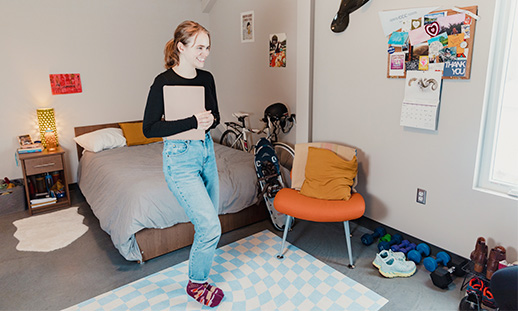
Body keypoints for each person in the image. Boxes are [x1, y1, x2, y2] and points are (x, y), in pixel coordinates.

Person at [142, 20, 224, 308]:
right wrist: (191, 121)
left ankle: (198, 275)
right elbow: (149, 129)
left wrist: (209, 119)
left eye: (207, 47)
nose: (206, 53)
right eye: (200, 47)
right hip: (179, 159)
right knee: (211, 226)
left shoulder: (207, 78)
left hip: (206, 151)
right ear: (182, 47)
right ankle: (196, 283)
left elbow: (216, 115)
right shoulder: (162, 82)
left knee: (208, 224)